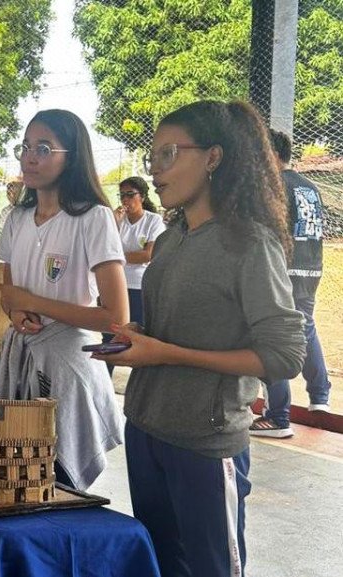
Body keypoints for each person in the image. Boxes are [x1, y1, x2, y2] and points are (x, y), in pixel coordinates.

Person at [102, 100, 305, 577]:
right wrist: (138, 336)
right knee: (162, 562)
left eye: (168, 154)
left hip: (205, 442)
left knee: (211, 567)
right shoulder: (172, 239)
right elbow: (178, 326)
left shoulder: (250, 244)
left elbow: (283, 354)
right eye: (152, 156)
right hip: (147, 429)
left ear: (213, 158)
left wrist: (165, 353)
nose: (155, 169)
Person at [0, 109, 127, 491]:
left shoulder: (93, 218)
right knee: (16, 477)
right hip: (23, 357)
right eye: (26, 147)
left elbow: (115, 317)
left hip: (67, 366)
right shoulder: (17, 217)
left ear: (72, 157)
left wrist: (33, 301)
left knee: (57, 483)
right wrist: (17, 314)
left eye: (45, 148)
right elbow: (10, 295)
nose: (30, 157)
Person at [250, 129, 332, 438]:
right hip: (310, 266)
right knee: (304, 324)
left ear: (270, 154)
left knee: (268, 334)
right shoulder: (309, 186)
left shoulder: (273, 187)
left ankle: (277, 416)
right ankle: (320, 395)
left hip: (281, 269)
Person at [101, 176, 166, 375]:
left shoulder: (152, 221)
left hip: (139, 287)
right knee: (109, 336)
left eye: (130, 195)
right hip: (116, 285)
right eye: (122, 196)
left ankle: (139, 381)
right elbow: (104, 250)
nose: (125, 200)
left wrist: (117, 257)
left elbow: (148, 254)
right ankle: (105, 382)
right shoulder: (117, 221)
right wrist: (113, 223)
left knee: (136, 336)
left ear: (143, 196)